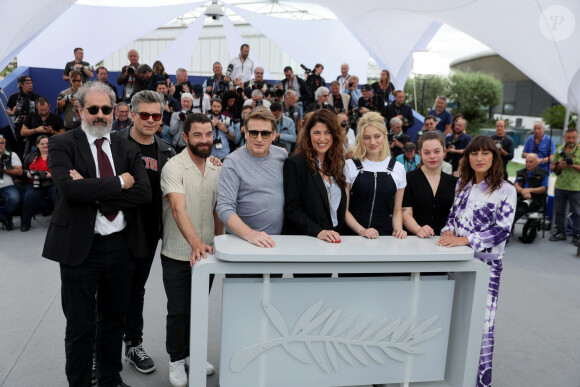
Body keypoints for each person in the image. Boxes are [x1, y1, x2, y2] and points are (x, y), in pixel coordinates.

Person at [42, 81, 152, 387]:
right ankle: (78, 382)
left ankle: (110, 379)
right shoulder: (63, 143)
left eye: (106, 109)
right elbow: (67, 189)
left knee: (114, 321)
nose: (100, 115)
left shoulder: (125, 145)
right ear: (79, 111)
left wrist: (90, 189)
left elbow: (143, 193)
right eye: (93, 109)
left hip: (121, 247)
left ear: (115, 112)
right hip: (80, 249)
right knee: (80, 325)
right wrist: (119, 183)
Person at [438, 135, 516, 387]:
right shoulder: (463, 183)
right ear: (467, 157)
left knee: (482, 326)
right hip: (457, 262)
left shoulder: (506, 189)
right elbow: (453, 216)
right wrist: (449, 231)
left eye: (485, 153)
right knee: (454, 319)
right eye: (474, 153)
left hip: (486, 266)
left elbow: (502, 230)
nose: (479, 158)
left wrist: (466, 240)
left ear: (494, 157)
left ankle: (480, 382)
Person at [114, 90, 177, 375]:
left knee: (135, 290)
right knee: (107, 290)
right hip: (114, 230)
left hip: (150, 232)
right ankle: (100, 348)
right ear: (132, 114)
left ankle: (133, 343)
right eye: (145, 115)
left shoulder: (166, 150)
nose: (151, 120)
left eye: (157, 115)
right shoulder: (113, 144)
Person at [160, 113, 222, 385]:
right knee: (178, 310)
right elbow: (177, 207)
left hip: (207, 254)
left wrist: (218, 241)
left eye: (208, 134)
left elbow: (218, 209)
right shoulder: (173, 167)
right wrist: (195, 243)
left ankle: (192, 354)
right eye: (197, 135)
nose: (204, 140)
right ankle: (176, 360)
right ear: (185, 137)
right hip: (177, 253)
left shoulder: (218, 167)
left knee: (198, 308)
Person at [216, 106, 287, 248]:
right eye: (254, 133)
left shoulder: (282, 155)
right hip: (242, 243)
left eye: (265, 133)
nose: (259, 138)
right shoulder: (232, 162)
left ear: (274, 135)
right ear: (245, 133)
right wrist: (250, 234)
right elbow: (224, 207)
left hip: (276, 243)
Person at [283, 108, 346, 245]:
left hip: (334, 238)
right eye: (317, 133)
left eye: (327, 133)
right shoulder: (295, 164)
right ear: (308, 134)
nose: (322, 139)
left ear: (334, 135)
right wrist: (319, 232)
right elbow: (292, 209)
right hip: (307, 240)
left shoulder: (337, 163)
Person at [343, 111, 407, 238]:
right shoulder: (349, 165)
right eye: (367, 137)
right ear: (361, 139)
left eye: (377, 136)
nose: (372, 142)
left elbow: (397, 210)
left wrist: (398, 230)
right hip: (353, 237)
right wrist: (362, 231)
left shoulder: (398, 168)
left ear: (385, 135)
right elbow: (344, 210)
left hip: (385, 238)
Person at [402, 131, 458, 237]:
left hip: (446, 243)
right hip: (415, 241)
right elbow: (405, 213)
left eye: (437, 151)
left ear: (444, 151)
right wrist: (418, 229)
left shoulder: (454, 182)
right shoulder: (408, 179)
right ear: (420, 153)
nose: (432, 156)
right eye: (427, 152)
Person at [549, 128, 580, 243]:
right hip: (560, 186)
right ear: (564, 137)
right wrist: (559, 166)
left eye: (573, 137)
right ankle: (560, 232)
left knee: (577, 212)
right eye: (569, 137)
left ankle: (577, 235)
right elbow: (552, 168)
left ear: (577, 137)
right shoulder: (560, 150)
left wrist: (572, 165)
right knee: (559, 211)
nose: (571, 140)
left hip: (576, 187)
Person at [20, 135, 57, 231]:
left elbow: (63, 170)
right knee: (30, 197)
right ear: (37, 145)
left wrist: (51, 175)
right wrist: (27, 174)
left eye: (47, 143)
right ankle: (25, 223)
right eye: (42, 144)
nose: (45, 145)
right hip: (34, 183)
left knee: (58, 196)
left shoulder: (57, 155)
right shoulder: (30, 156)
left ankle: (60, 223)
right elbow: (23, 170)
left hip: (52, 182)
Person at [513, 154, 547, 226]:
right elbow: (516, 184)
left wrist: (529, 190)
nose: (528, 164)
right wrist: (522, 191)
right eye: (526, 161)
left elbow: (543, 189)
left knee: (518, 211)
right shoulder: (521, 172)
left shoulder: (543, 174)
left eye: (530, 162)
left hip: (535, 200)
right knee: (506, 208)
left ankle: (505, 230)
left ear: (536, 162)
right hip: (520, 198)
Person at [0, 135, 23, 230]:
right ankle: (5, 217)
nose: (0, 145)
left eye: (1, 143)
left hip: (9, 185)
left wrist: (4, 171)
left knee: (14, 199)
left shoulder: (12, 155)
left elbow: (19, 172)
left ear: (5, 144)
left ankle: (4, 216)